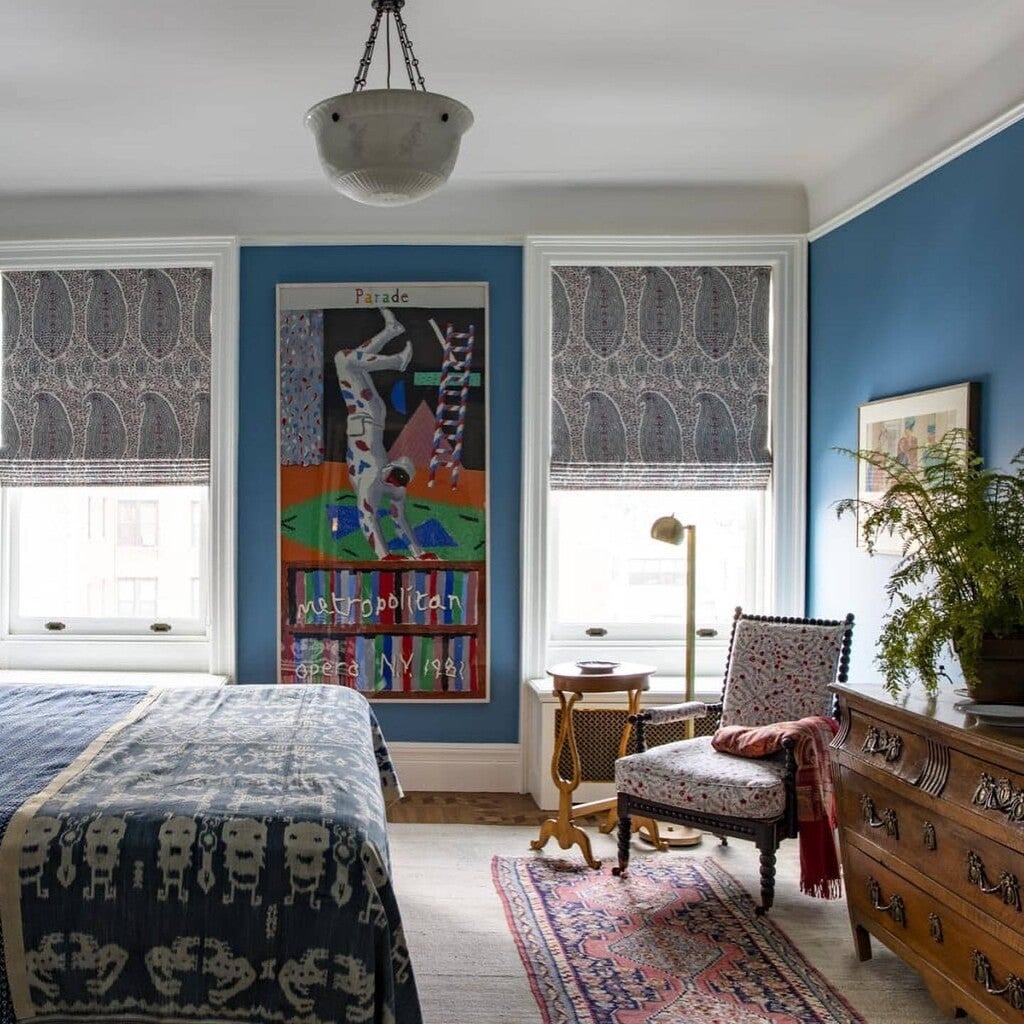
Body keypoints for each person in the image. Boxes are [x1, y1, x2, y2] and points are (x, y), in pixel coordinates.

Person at [335, 307, 431, 559]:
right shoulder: (384, 478)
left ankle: (390, 332)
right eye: (398, 474)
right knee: (345, 360)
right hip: (367, 413)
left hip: (365, 412)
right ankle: (395, 359)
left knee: (349, 361)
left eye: (400, 480)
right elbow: (392, 519)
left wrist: (391, 555)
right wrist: (412, 552)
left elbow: (369, 516)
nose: (395, 481)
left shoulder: (375, 482)